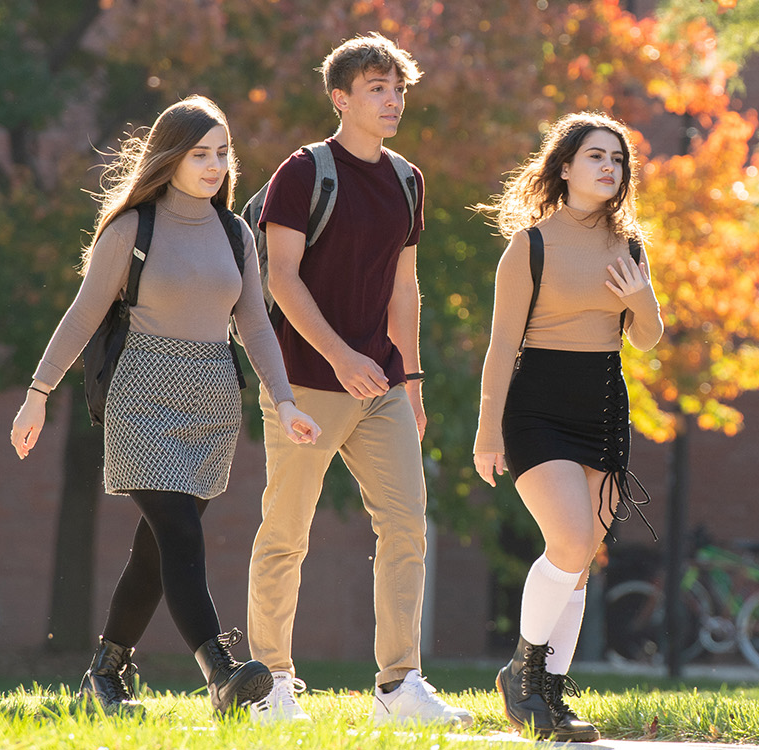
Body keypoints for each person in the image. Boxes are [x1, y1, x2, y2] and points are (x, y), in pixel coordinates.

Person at [9, 95, 323, 717]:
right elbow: (83, 315)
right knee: (180, 532)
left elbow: (257, 327)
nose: (214, 165)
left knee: (157, 549)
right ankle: (221, 672)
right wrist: (37, 395)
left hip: (212, 402)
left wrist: (284, 402)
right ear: (170, 157)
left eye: (222, 153)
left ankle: (105, 673)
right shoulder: (134, 229)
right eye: (199, 153)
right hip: (140, 396)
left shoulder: (236, 234)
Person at [244, 33, 470, 727]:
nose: (393, 99)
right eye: (378, 88)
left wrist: (414, 382)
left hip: (383, 389)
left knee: (406, 527)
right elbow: (280, 279)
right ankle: (272, 684)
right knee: (286, 531)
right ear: (341, 98)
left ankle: (399, 687)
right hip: (307, 382)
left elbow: (407, 287)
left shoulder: (408, 179)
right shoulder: (304, 172)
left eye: (398, 88)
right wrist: (342, 355)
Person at [473, 111, 664, 742]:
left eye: (617, 160)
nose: (609, 168)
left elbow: (649, 339)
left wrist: (640, 297)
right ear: (564, 167)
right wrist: (488, 432)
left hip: (604, 407)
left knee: (582, 563)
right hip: (537, 409)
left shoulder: (630, 246)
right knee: (570, 542)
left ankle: (550, 697)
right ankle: (521, 674)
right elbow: (501, 349)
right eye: (595, 157)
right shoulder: (529, 246)